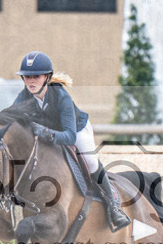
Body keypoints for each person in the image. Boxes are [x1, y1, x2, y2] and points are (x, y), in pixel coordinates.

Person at [13, 50, 131, 232]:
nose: (30, 81)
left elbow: (70, 137)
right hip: (47, 134)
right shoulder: (23, 98)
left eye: (36, 76)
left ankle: (114, 206)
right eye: (26, 76)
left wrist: (47, 133)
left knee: (90, 161)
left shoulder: (61, 97)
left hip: (76, 130)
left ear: (47, 77)